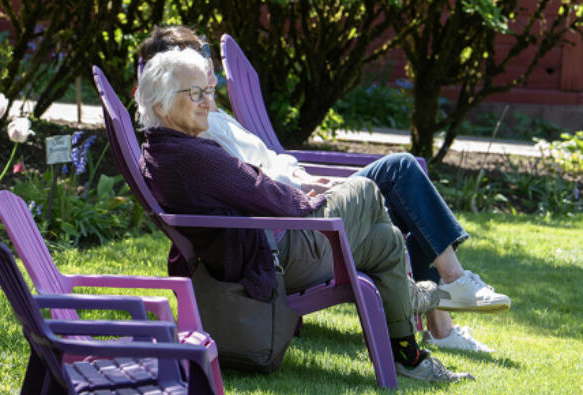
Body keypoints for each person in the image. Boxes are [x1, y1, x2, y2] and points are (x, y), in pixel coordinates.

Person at [137, 26, 510, 354]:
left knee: (391, 219)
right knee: (394, 175)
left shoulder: (200, 125)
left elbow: (258, 173)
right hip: (286, 235)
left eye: (204, 57)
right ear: (165, 88)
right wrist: (310, 193)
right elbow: (254, 188)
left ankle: (435, 322)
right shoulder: (198, 138)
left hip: (294, 202)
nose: (207, 74)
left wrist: (306, 181)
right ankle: (449, 289)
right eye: (195, 70)